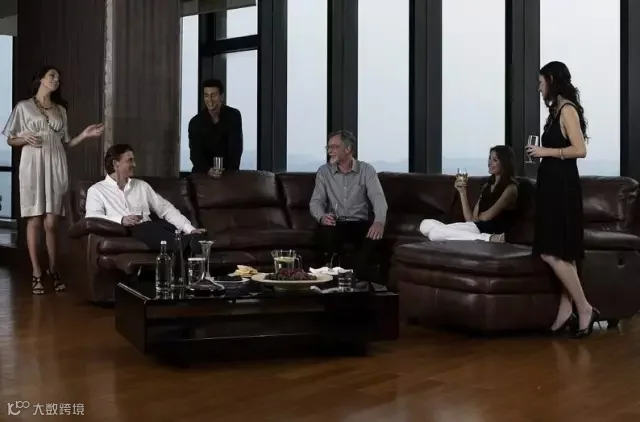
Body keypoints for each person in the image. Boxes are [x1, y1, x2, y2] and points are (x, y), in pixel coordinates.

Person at [2, 66, 104, 295]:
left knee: (51, 223)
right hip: (32, 164)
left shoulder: (60, 110)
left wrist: (84, 135)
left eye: (58, 77)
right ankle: (37, 272)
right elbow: (10, 139)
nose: (56, 80)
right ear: (41, 79)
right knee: (34, 220)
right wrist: (24, 138)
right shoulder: (24, 107)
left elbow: (65, 143)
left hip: (56, 164)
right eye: (52, 76)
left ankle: (54, 269)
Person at [526, 61, 598, 338]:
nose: (539, 87)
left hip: (562, 188)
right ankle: (566, 311)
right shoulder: (555, 111)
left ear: (552, 80)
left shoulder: (567, 110)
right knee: (561, 252)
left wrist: (545, 151)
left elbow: (580, 150)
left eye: (541, 81)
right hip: (551, 187)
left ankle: (585, 308)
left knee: (552, 252)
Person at [85, 144, 207, 256]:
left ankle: (190, 241)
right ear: (115, 164)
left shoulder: (142, 186)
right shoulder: (97, 190)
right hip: (130, 229)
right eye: (130, 160)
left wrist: (190, 230)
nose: (134, 164)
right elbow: (92, 217)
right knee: (143, 227)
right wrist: (121, 220)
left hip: (153, 228)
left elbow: (165, 209)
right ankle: (189, 243)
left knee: (165, 226)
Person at [309, 130, 388, 280]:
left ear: (348, 149)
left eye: (334, 147)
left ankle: (357, 281)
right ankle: (330, 278)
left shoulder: (367, 170)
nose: (330, 151)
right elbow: (316, 201)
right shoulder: (324, 172)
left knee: (374, 238)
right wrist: (322, 217)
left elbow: (378, 198)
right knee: (324, 234)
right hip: (335, 223)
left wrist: (379, 222)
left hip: (360, 223)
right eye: (328, 147)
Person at [419, 145, 519, 242]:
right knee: (425, 224)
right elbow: (471, 220)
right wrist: (462, 192)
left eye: (495, 160)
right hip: (475, 227)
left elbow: (486, 217)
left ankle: (490, 238)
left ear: (505, 163)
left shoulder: (511, 188)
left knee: (434, 234)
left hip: (490, 229)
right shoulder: (487, 186)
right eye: (489, 158)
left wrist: (478, 217)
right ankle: (475, 236)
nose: (490, 163)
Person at [188, 79, 243, 178]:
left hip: (228, 174)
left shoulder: (234, 116)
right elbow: (195, 155)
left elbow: (236, 149)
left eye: (213, 95)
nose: (209, 100)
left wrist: (228, 174)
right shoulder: (195, 122)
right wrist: (208, 170)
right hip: (203, 174)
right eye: (206, 95)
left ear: (221, 96)